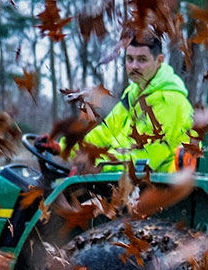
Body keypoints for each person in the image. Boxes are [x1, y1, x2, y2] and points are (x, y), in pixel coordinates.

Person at [72, 31, 194, 173]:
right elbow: (106, 132)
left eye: (142, 60)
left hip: (160, 187)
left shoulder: (169, 101)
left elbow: (147, 156)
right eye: (130, 59)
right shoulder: (132, 95)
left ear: (159, 61)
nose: (134, 66)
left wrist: (99, 165)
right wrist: (65, 148)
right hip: (127, 180)